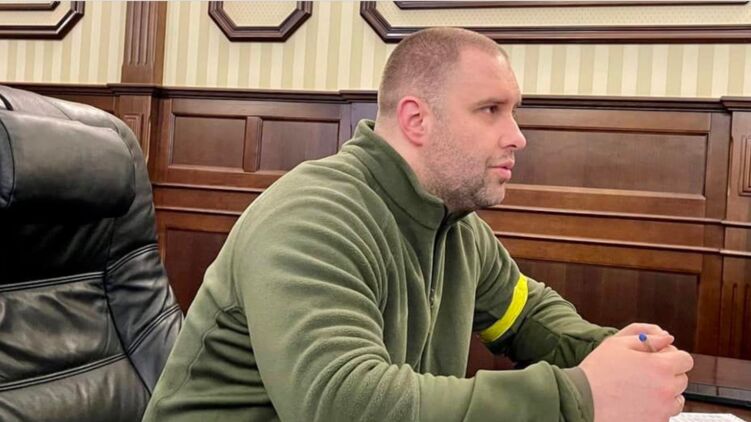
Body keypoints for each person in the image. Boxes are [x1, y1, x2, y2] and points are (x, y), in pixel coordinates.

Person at [144, 27, 693, 422]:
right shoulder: (312, 216)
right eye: (491, 110)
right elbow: (341, 403)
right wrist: (580, 396)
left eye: (514, 111)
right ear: (416, 120)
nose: (517, 136)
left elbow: (524, 316)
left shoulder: (454, 224)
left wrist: (621, 356)